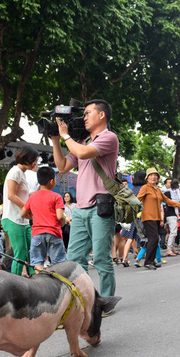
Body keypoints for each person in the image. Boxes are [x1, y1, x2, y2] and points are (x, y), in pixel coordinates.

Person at [50, 99, 119, 308]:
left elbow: (82, 153)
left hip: (101, 207)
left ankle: (106, 300)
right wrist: (55, 140)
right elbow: (62, 167)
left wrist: (65, 136)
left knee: (100, 257)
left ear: (102, 115)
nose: (84, 117)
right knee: (75, 257)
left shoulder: (109, 137)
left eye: (88, 113)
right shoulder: (81, 141)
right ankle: (86, 298)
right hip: (80, 209)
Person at [137, 168, 180, 270]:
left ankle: (152, 260)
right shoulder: (145, 188)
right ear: (147, 178)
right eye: (151, 175)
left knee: (156, 240)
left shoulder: (157, 189)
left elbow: (167, 200)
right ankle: (148, 262)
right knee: (153, 238)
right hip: (147, 216)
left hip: (157, 217)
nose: (153, 177)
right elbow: (137, 200)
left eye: (155, 175)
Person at [2, 147, 39, 276]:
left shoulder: (22, 173)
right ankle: (15, 280)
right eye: (35, 160)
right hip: (13, 218)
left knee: (31, 249)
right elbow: (11, 195)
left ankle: (32, 274)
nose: (36, 163)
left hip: (23, 220)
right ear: (28, 159)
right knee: (21, 253)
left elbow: (23, 194)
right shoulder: (15, 172)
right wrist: (27, 207)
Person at [21, 166, 67, 271]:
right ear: (51, 181)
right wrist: (63, 223)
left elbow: (23, 213)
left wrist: (33, 217)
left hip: (37, 233)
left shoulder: (32, 197)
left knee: (37, 262)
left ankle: (39, 285)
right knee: (59, 262)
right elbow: (60, 216)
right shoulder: (56, 196)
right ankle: (58, 285)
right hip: (53, 232)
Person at [120, 170, 145, 267]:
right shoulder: (144, 188)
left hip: (130, 216)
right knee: (146, 237)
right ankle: (146, 257)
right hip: (140, 216)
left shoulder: (132, 189)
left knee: (129, 238)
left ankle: (124, 258)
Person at [163, 179, 180, 256]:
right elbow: (170, 204)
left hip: (175, 213)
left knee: (174, 232)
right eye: (169, 182)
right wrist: (179, 204)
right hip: (170, 214)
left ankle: (172, 249)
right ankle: (169, 249)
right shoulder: (167, 192)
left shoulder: (176, 192)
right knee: (173, 232)